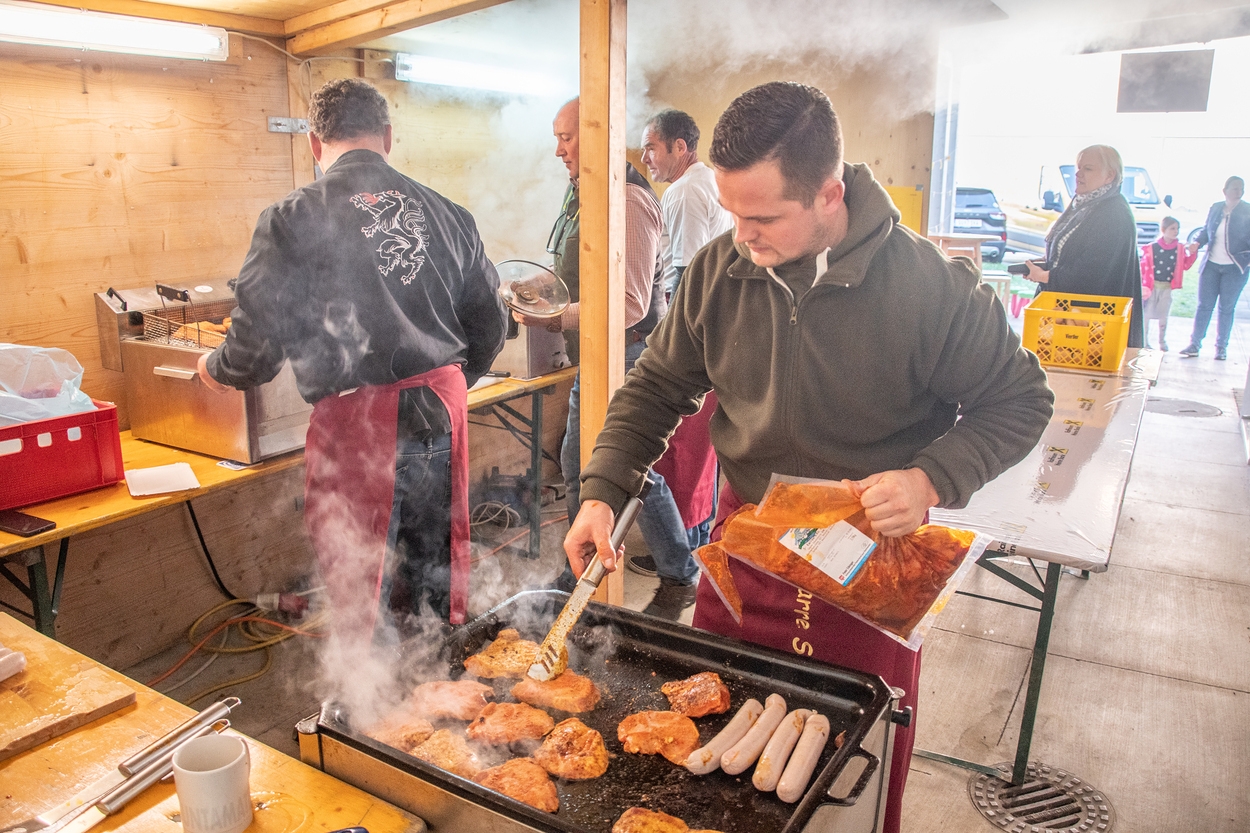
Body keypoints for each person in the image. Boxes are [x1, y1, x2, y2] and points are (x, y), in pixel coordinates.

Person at [563, 82, 1054, 833]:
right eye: (732, 213)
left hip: (872, 554)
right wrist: (603, 490)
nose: (741, 236)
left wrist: (931, 478)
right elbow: (656, 386)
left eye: (762, 218)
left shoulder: (930, 287)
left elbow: (1020, 399)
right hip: (746, 547)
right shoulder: (720, 271)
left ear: (829, 193)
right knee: (710, 750)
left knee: (848, 771)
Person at [196, 79, 508, 648]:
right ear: (387, 136)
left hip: (357, 425)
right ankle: (445, 678)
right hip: (443, 414)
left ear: (315, 143)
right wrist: (446, 385)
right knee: (435, 569)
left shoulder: (291, 217)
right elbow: (492, 325)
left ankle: (373, 694)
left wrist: (216, 370)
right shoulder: (450, 214)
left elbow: (257, 342)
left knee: (363, 580)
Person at [515, 97, 699, 619]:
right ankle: (585, 563)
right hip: (596, 353)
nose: (559, 150)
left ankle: (679, 573)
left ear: (596, 137)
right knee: (581, 462)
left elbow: (630, 304)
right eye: (556, 138)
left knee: (623, 465)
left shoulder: (629, 199)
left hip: (629, 352)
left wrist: (555, 318)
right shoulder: (581, 192)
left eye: (567, 138)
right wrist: (537, 290)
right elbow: (576, 272)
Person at [633, 109, 732, 566]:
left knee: (680, 448)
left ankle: (684, 549)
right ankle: (698, 538)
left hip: (695, 330)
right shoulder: (710, 181)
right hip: (720, 328)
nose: (646, 158)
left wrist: (673, 342)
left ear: (680, 147)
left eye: (652, 147)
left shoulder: (683, 191)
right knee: (702, 448)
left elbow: (687, 271)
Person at [1021, 144, 1144, 349]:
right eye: (1078, 168)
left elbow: (1094, 271)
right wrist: (1047, 264)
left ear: (1109, 176)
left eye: (1088, 169)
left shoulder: (1114, 213)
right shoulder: (1084, 204)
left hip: (1093, 326)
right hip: (1066, 315)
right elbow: (1071, 252)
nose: (1078, 174)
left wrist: (1045, 276)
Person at [1179, 176, 1250, 361]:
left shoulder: (1247, 210)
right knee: (1204, 306)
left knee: (1226, 308)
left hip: (1235, 268)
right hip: (1211, 264)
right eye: (1235, 188)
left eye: (1241, 188)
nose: (1239, 192)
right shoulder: (1216, 208)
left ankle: (1221, 347)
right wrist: (1197, 243)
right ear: (1225, 191)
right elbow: (1206, 231)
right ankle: (1195, 344)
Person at [1140, 216, 1197, 351]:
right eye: (1172, 228)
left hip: (1166, 288)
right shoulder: (1152, 248)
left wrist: (1193, 253)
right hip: (1151, 288)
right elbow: (1143, 267)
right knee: (1146, 315)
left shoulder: (1179, 249)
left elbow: (1185, 265)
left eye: (1177, 229)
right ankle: (1144, 341)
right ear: (1163, 230)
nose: (1176, 231)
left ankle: (1162, 341)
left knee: (1163, 316)